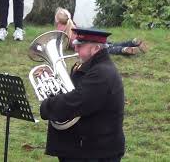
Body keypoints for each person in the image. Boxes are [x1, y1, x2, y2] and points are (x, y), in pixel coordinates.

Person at [40, 28, 125, 162]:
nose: (75, 48)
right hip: (84, 147)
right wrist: (53, 80)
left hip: (97, 152)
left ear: (96, 48)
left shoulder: (102, 73)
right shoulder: (86, 67)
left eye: (80, 45)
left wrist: (47, 106)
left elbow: (76, 102)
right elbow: (72, 94)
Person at [54, 7, 148, 55]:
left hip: (87, 43)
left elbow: (58, 44)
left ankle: (123, 50)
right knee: (111, 44)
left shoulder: (60, 28)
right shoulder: (71, 24)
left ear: (57, 20)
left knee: (107, 49)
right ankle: (132, 42)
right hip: (93, 36)